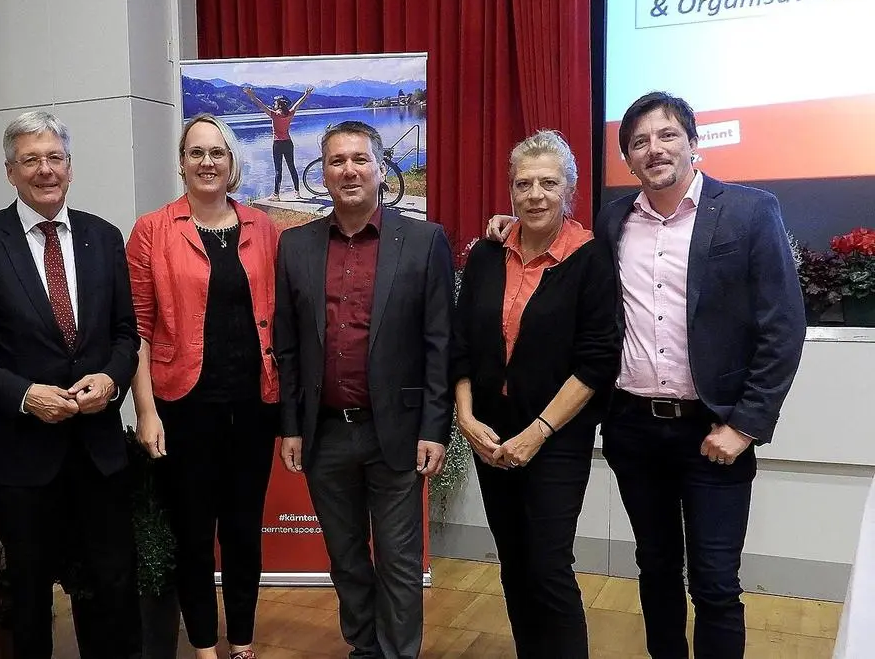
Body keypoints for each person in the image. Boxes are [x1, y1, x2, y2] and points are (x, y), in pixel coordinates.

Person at [486, 92, 806, 658]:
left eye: (666, 136)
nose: (653, 149)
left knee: (713, 583)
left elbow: (782, 328)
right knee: (654, 569)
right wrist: (515, 222)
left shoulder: (749, 211)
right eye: (639, 142)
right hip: (634, 430)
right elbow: (558, 233)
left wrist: (745, 425)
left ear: (693, 143)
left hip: (714, 432)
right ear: (627, 160)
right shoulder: (614, 222)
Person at [0, 111, 142, 659]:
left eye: (54, 158)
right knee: (29, 596)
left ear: (70, 167)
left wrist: (111, 378)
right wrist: (24, 396)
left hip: (98, 450)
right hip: (21, 456)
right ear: (10, 172)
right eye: (31, 159)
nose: (45, 170)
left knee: (112, 586)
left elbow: (126, 334)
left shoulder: (103, 237)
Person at [274, 120, 453, 659]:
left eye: (360, 159)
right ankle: (364, 648)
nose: (348, 170)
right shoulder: (295, 245)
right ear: (322, 174)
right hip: (324, 433)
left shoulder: (424, 241)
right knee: (346, 556)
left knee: (399, 560)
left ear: (380, 168)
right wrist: (289, 427)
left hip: (395, 431)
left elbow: (440, 342)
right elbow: (286, 345)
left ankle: (398, 653)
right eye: (336, 161)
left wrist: (434, 428)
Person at [452, 130, 619, 658]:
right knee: (514, 561)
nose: (535, 194)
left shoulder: (591, 257)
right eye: (523, 183)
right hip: (490, 434)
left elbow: (597, 362)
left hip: (555, 437)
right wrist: (464, 416)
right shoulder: (485, 253)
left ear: (569, 187)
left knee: (548, 566)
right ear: (510, 190)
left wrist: (536, 433)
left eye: (549, 182)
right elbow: (461, 342)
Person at [126, 113, 280, 659]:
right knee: (193, 534)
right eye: (196, 152)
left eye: (217, 152)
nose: (207, 161)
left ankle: (240, 641)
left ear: (233, 162)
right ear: (182, 162)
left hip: (254, 406)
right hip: (182, 406)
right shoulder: (153, 229)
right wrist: (146, 411)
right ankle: (203, 645)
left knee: (243, 531)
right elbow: (137, 327)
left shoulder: (264, 228)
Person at [243, 85, 313, 200]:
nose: (273, 105)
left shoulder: (274, 115)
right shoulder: (290, 113)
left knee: (278, 170)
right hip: (288, 143)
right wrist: (306, 94)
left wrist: (250, 94)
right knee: (292, 167)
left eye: (275, 104)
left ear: (279, 105)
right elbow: (298, 104)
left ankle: (276, 195)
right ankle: (297, 192)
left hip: (277, 144)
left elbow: (260, 104)